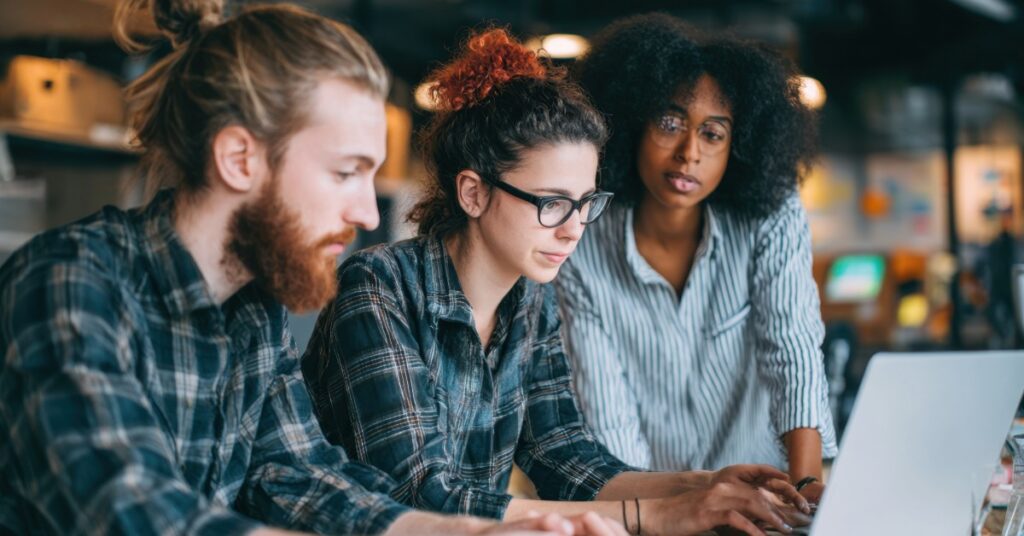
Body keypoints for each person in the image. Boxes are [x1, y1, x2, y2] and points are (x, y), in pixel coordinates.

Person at [0, 2, 593, 534]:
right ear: (239, 158)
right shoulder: (70, 283)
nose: (365, 211)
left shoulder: (253, 311)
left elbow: (298, 473)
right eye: (344, 172)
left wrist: (462, 533)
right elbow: (136, 512)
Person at [302, 28, 812, 536]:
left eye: (586, 203)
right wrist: (657, 515)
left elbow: (564, 456)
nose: (573, 229)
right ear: (473, 193)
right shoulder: (378, 288)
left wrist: (697, 487)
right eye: (552, 203)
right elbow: (420, 493)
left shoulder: (530, 299)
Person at [555, 13, 837, 503]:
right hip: (655, 506)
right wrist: (655, 518)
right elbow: (604, 408)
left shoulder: (771, 213)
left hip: (766, 498)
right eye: (670, 122)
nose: (689, 153)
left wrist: (806, 486)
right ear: (630, 123)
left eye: (713, 133)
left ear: (739, 145)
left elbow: (790, 345)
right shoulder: (582, 240)